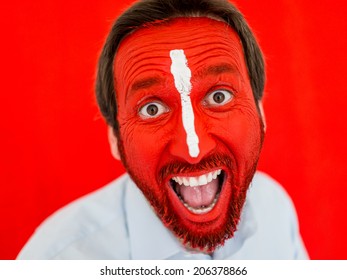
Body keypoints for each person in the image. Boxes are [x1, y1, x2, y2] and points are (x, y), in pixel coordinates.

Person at [17, 0, 308, 259]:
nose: (193, 150)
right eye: (151, 109)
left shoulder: (275, 211)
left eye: (219, 97)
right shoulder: (55, 261)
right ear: (114, 138)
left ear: (260, 113)